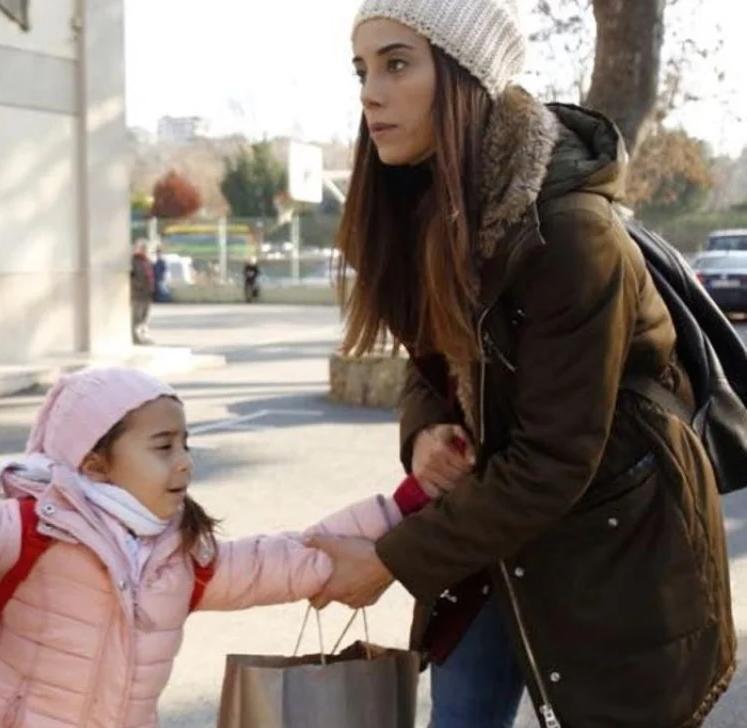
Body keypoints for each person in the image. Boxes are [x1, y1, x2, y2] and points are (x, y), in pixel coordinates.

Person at [308, 1, 735, 727]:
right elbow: (433, 359)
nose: (369, 93)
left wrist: (385, 560)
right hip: (486, 542)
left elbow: (555, 457)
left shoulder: (569, 232)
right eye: (363, 70)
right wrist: (426, 429)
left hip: (614, 550)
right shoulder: (426, 207)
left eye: (398, 64)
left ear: (467, 76)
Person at [0, 366, 437, 727]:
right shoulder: (32, 531)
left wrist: (404, 510)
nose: (184, 462)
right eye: (163, 446)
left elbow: (284, 559)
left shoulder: (182, 557)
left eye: (185, 444)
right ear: (94, 461)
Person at [131, 239, 155, 343]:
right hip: (138, 293)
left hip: (147, 293)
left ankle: (143, 335)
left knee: (145, 316)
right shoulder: (134, 261)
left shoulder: (147, 261)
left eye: (146, 248)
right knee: (137, 316)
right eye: (143, 248)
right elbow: (132, 277)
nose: (145, 250)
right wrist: (137, 286)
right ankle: (136, 337)